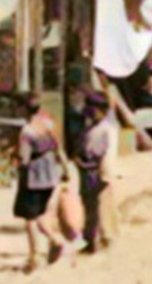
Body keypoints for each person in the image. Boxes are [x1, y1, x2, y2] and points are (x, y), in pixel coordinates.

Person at [10, 92, 66, 271]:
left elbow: (24, 158)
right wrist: (65, 169)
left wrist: (14, 159)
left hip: (33, 178)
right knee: (41, 214)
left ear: (23, 109)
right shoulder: (48, 124)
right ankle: (54, 240)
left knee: (30, 218)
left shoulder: (27, 131)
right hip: (50, 174)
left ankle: (35, 254)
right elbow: (58, 148)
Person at [74, 89, 120, 255]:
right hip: (86, 171)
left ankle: (107, 237)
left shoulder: (108, 129)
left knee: (103, 206)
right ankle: (90, 239)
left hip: (100, 171)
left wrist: (105, 173)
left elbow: (109, 153)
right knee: (89, 207)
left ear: (102, 111)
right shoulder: (88, 129)